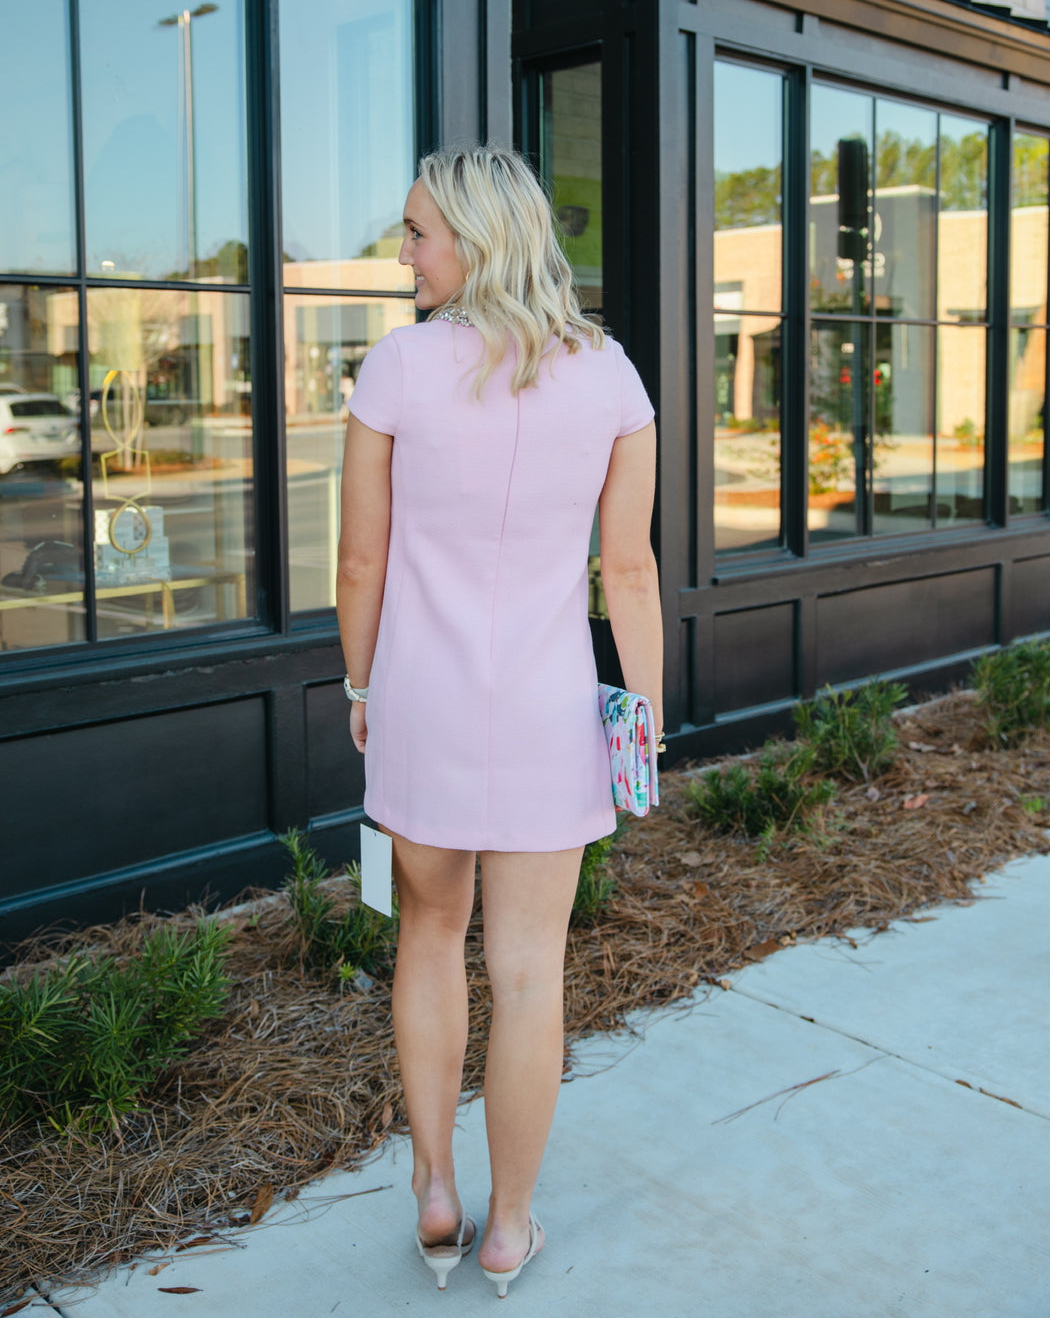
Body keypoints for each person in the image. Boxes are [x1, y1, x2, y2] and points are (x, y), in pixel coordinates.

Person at [336, 144, 663, 1298]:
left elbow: (362, 560)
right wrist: (648, 720)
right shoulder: (612, 378)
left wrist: (361, 689)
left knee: (428, 937)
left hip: (421, 701)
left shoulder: (396, 370)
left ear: (477, 237)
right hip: (547, 716)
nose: (407, 251)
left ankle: (435, 1191)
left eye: (419, 230)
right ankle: (509, 1227)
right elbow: (628, 571)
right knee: (531, 975)